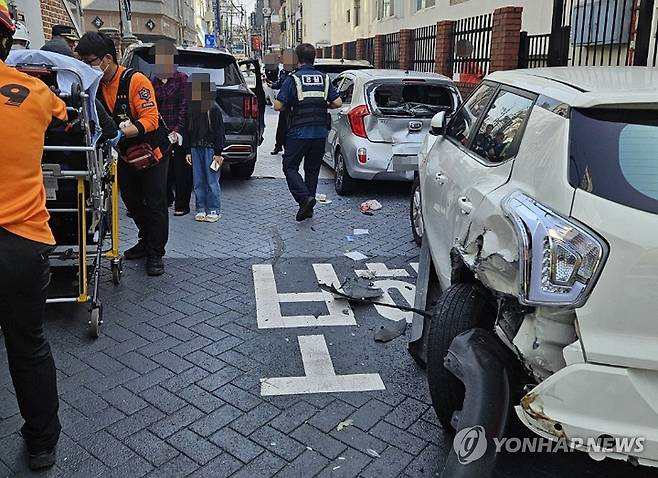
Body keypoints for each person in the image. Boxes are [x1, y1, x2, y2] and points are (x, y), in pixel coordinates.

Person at [0, 4, 67, 470]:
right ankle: (42, 442)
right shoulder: (34, 91)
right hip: (20, 240)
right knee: (27, 345)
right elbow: (67, 117)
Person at [76, 31, 170, 276]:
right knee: (133, 202)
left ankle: (156, 253)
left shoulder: (135, 81)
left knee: (155, 203)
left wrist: (122, 132)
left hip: (153, 153)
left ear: (107, 58)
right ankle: (145, 238)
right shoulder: (95, 86)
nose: (88, 66)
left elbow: (150, 119)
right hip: (126, 156)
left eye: (90, 60)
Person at [274, 43, 342, 221]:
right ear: (313, 58)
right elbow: (338, 103)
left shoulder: (293, 79)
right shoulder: (324, 78)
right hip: (320, 133)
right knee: (312, 170)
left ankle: (304, 199)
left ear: (298, 59)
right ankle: (308, 209)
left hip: (298, 133)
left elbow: (278, 105)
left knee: (289, 167)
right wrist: (322, 104)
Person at [150, 39, 190, 216]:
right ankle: (166, 198)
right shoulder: (153, 82)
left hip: (179, 130)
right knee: (161, 168)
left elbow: (185, 106)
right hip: (160, 131)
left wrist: (177, 130)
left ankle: (182, 204)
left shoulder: (182, 79)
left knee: (182, 170)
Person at [185, 73, 225, 223]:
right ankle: (201, 209)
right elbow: (187, 131)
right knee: (198, 181)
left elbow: (219, 132)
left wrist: (218, 153)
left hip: (210, 149)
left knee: (211, 181)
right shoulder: (191, 108)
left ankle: (214, 209)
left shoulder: (213, 108)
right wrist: (188, 150)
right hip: (195, 148)